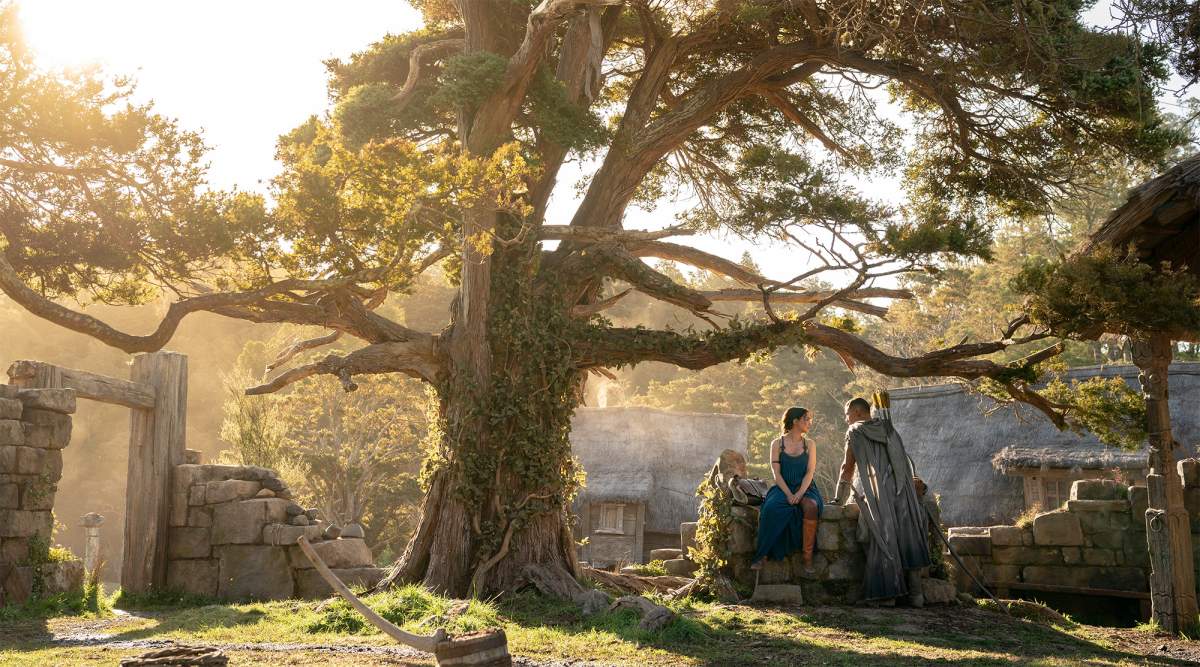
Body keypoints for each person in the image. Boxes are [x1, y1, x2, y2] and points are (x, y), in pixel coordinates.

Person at [833, 397, 931, 606]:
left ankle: (887, 595)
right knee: (908, 537)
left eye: (847, 414)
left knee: (872, 536)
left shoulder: (855, 431)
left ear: (858, 412)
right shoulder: (889, 429)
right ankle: (916, 595)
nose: (846, 419)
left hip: (879, 497)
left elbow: (847, 468)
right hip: (903, 494)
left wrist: (837, 498)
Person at [750, 407, 823, 572]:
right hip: (783, 487)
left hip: (805, 488)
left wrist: (799, 494)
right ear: (795, 420)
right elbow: (776, 473)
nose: (809, 423)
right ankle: (762, 555)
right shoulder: (777, 444)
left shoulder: (810, 444)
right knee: (769, 508)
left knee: (811, 506)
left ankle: (807, 559)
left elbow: (810, 472)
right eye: (806, 419)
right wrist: (789, 494)